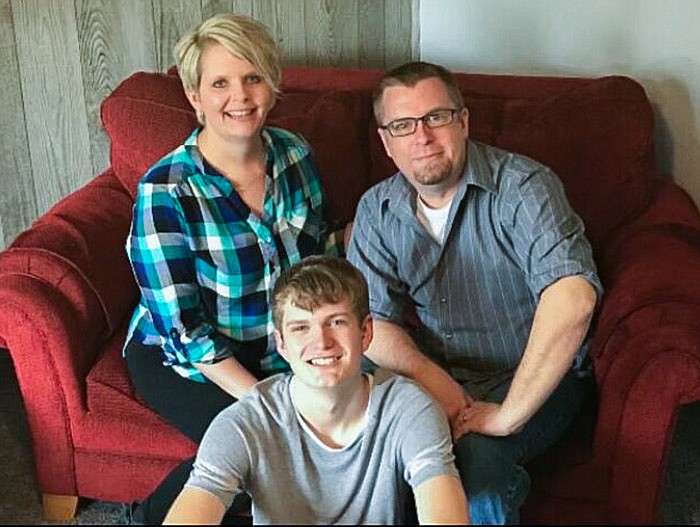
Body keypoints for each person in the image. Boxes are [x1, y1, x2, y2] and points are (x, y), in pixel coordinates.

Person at [347, 61, 603, 524]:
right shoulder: (376, 209)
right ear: (386, 142)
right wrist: (432, 380)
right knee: (366, 453)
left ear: (463, 122)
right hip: (437, 372)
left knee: (478, 467)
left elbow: (574, 298)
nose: (422, 136)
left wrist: (508, 414)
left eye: (437, 117)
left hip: (531, 373)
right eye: (403, 126)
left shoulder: (524, 186)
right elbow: (371, 324)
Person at [123, 13, 345, 524]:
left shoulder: (294, 156)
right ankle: (148, 518)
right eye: (219, 83)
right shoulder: (166, 191)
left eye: (253, 78)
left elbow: (319, 262)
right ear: (194, 95)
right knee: (260, 455)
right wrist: (270, 402)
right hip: (185, 360)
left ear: (272, 84)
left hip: (280, 347)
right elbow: (184, 330)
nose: (239, 96)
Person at [162, 255, 468, 525]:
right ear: (281, 344)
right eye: (300, 327)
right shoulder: (245, 422)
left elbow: (444, 512)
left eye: (336, 322)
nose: (321, 342)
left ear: (365, 332)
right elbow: (198, 501)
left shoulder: (410, 409)